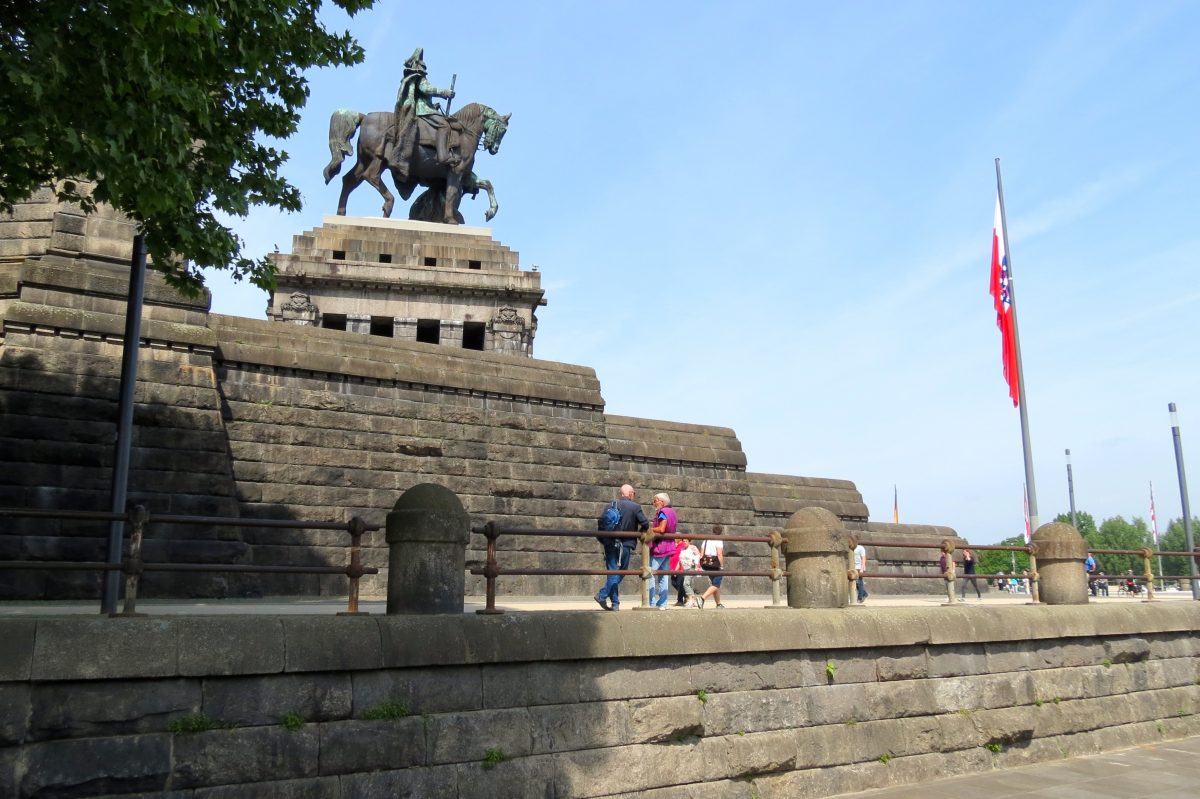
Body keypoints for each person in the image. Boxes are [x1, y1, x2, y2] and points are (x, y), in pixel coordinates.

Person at [392, 47, 459, 175]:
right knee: (444, 125)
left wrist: (433, 104)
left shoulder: (413, 78)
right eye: (423, 65)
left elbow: (422, 97)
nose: (424, 67)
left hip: (425, 107)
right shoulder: (419, 78)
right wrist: (445, 92)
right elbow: (427, 89)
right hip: (422, 110)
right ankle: (443, 155)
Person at [594, 484, 648, 611]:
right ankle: (602, 595)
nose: (634, 495)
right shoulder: (635, 507)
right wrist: (641, 533)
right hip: (626, 543)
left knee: (612, 572)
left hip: (610, 543)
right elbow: (645, 523)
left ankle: (615, 603)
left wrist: (603, 540)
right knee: (622, 571)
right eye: (633, 493)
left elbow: (601, 523)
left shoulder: (610, 505)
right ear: (630, 493)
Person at [648, 493, 678, 609]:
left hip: (660, 547)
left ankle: (651, 602)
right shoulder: (673, 512)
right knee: (663, 576)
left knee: (649, 573)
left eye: (655, 500)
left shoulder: (663, 512)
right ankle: (663, 603)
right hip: (670, 546)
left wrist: (650, 529)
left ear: (661, 501)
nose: (654, 503)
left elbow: (661, 528)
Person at [698, 525, 726, 609]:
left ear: (712, 531)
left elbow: (701, 554)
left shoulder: (706, 539)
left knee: (714, 584)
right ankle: (702, 598)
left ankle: (718, 604)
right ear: (721, 532)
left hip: (706, 564)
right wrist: (721, 565)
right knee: (716, 584)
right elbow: (719, 554)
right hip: (715, 564)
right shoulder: (718, 540)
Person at [676, 538, 702, 607]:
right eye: (683, 541)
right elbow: (680, 561)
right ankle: (694, 601)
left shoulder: (693, 548)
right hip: (685, 569)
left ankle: (691, 599)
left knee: (686, 584)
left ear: (689, 542)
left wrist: (695, 562)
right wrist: (676, 570)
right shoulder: (682, 550)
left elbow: (699, 555)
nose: (684, 542)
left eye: (686, 541)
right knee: (690, 584)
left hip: (692, 568)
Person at [851, 536, 868, 604]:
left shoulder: (860, 548)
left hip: (859, 567)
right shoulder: (851, 548)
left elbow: (863, 558)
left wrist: (862, 569)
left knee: (859, 582)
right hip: (853, 567)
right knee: (856, 583)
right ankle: (865, 594)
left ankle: (860, 597)